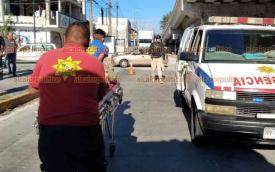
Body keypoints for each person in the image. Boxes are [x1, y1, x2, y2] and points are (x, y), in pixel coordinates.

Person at [29, 22, 108, 172]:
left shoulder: (46, 58)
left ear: (65, 38)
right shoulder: (95, 63)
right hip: (86, 131)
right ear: (88, 41)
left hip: (51, 132)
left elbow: (32, 90)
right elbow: (100, 95)